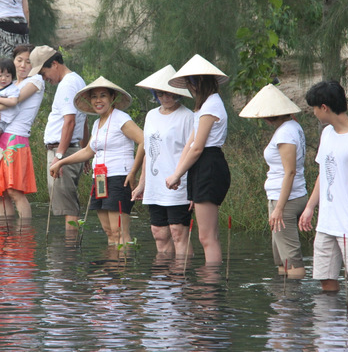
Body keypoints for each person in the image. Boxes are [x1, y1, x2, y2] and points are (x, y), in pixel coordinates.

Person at [298, 80, 348, 296]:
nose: (314, 113)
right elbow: (324, 173)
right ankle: (330, 327)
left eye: (314, 108)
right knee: (325, 280)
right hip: (327, 223)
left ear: (324, 107)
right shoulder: (328, 134)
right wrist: (310, 207)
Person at [50, 77, 143, 244]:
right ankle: (112, 269)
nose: (98, 100)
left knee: (120, 232)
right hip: (100, 180)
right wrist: (61, 162)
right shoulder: (97, 123)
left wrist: (133, 172)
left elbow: (144, 140)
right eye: (94, 97)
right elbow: (88, 151)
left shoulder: (121, 118)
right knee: (109, 232)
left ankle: (124, 269)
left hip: (119, 178)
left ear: (112, 97)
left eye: (103, 96)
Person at [165, 54, 231, 264]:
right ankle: (207, 285)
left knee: (207, 236)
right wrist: (178, 174)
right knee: (206, 235)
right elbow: (190, 145)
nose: (190, 88)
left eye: (191, 83)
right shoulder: (203, 107)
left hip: (209, 164)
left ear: (200, 82)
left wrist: (177, 174)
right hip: (200, 166)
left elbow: (198, 147)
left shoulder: (212, 105)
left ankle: (210, 288)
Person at [240, 84, 307, 278]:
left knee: (292, 260)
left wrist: (279, 208)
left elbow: (290, 172)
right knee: (282, 258)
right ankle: (282, 302)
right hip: (285, 197)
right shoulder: (292, 126)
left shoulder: (286, 132)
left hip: (285, 199)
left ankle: (293, 303)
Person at [131, 65, 194, 255]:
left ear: (178, 93)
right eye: (160, 93)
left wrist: (192, 189)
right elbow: (149, 152)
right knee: (158, 232)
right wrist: (142, 183)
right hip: (155, 184)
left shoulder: (188, 117)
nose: (165, 98)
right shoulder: (151, 115)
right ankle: (161, 281)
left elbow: (193, 153)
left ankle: (180, 279)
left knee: (178, 232)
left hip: (178, 184)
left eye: (169, 94)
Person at [0, 44, 44, 219]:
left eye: (28, 62)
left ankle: (23, 236)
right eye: (19, 60)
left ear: (35, 64)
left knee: (15, 191)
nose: (22, 65)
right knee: (1, 192)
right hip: (0, 135)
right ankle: (4, 241)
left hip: (16, 138)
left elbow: (15, 101)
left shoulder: (36, 80)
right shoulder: (10, 83)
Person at [28, 45, 88, 229]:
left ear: (54, 64)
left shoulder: (68, 84)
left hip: (63, 151)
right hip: (72, 149)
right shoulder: (77, 80)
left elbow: (70, 122)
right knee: (67, 202)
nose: (44, 77)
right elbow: (83, 122)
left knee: (67, 206)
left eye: (44, 72)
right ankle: (70, 249)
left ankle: (68, 252)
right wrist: (85, 151)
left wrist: (59, 156)